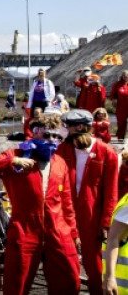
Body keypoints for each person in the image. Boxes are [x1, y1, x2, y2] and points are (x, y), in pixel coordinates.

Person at [0, 113, 80, 295]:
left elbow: (66, 203)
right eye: (47, 135)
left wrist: (73, 233)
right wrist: (12, 162)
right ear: (35, 133)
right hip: (25, 231)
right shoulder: (16, 155)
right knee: (17, 284)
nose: (52, 140)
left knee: (69, 281)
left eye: (57, 137)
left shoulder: (60, 163)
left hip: (57, 231)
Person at [56, 109, 118, 295]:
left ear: (81, 127)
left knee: (94, 266)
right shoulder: (62, 149)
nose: (64, 131)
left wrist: (106, 223)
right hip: (65, 215)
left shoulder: (107, 153)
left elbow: (111, 192)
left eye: (68, 127)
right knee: (66, 263)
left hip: (92, 218)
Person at [110, 70, 128, 141]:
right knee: (121, 122)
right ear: (122, 76)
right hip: (121, 107)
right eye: (125, 76)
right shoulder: (117, 84)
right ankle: (121, 137)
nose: (126, 77)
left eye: (127, 76)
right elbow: (112, 94)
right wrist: (114, 99)